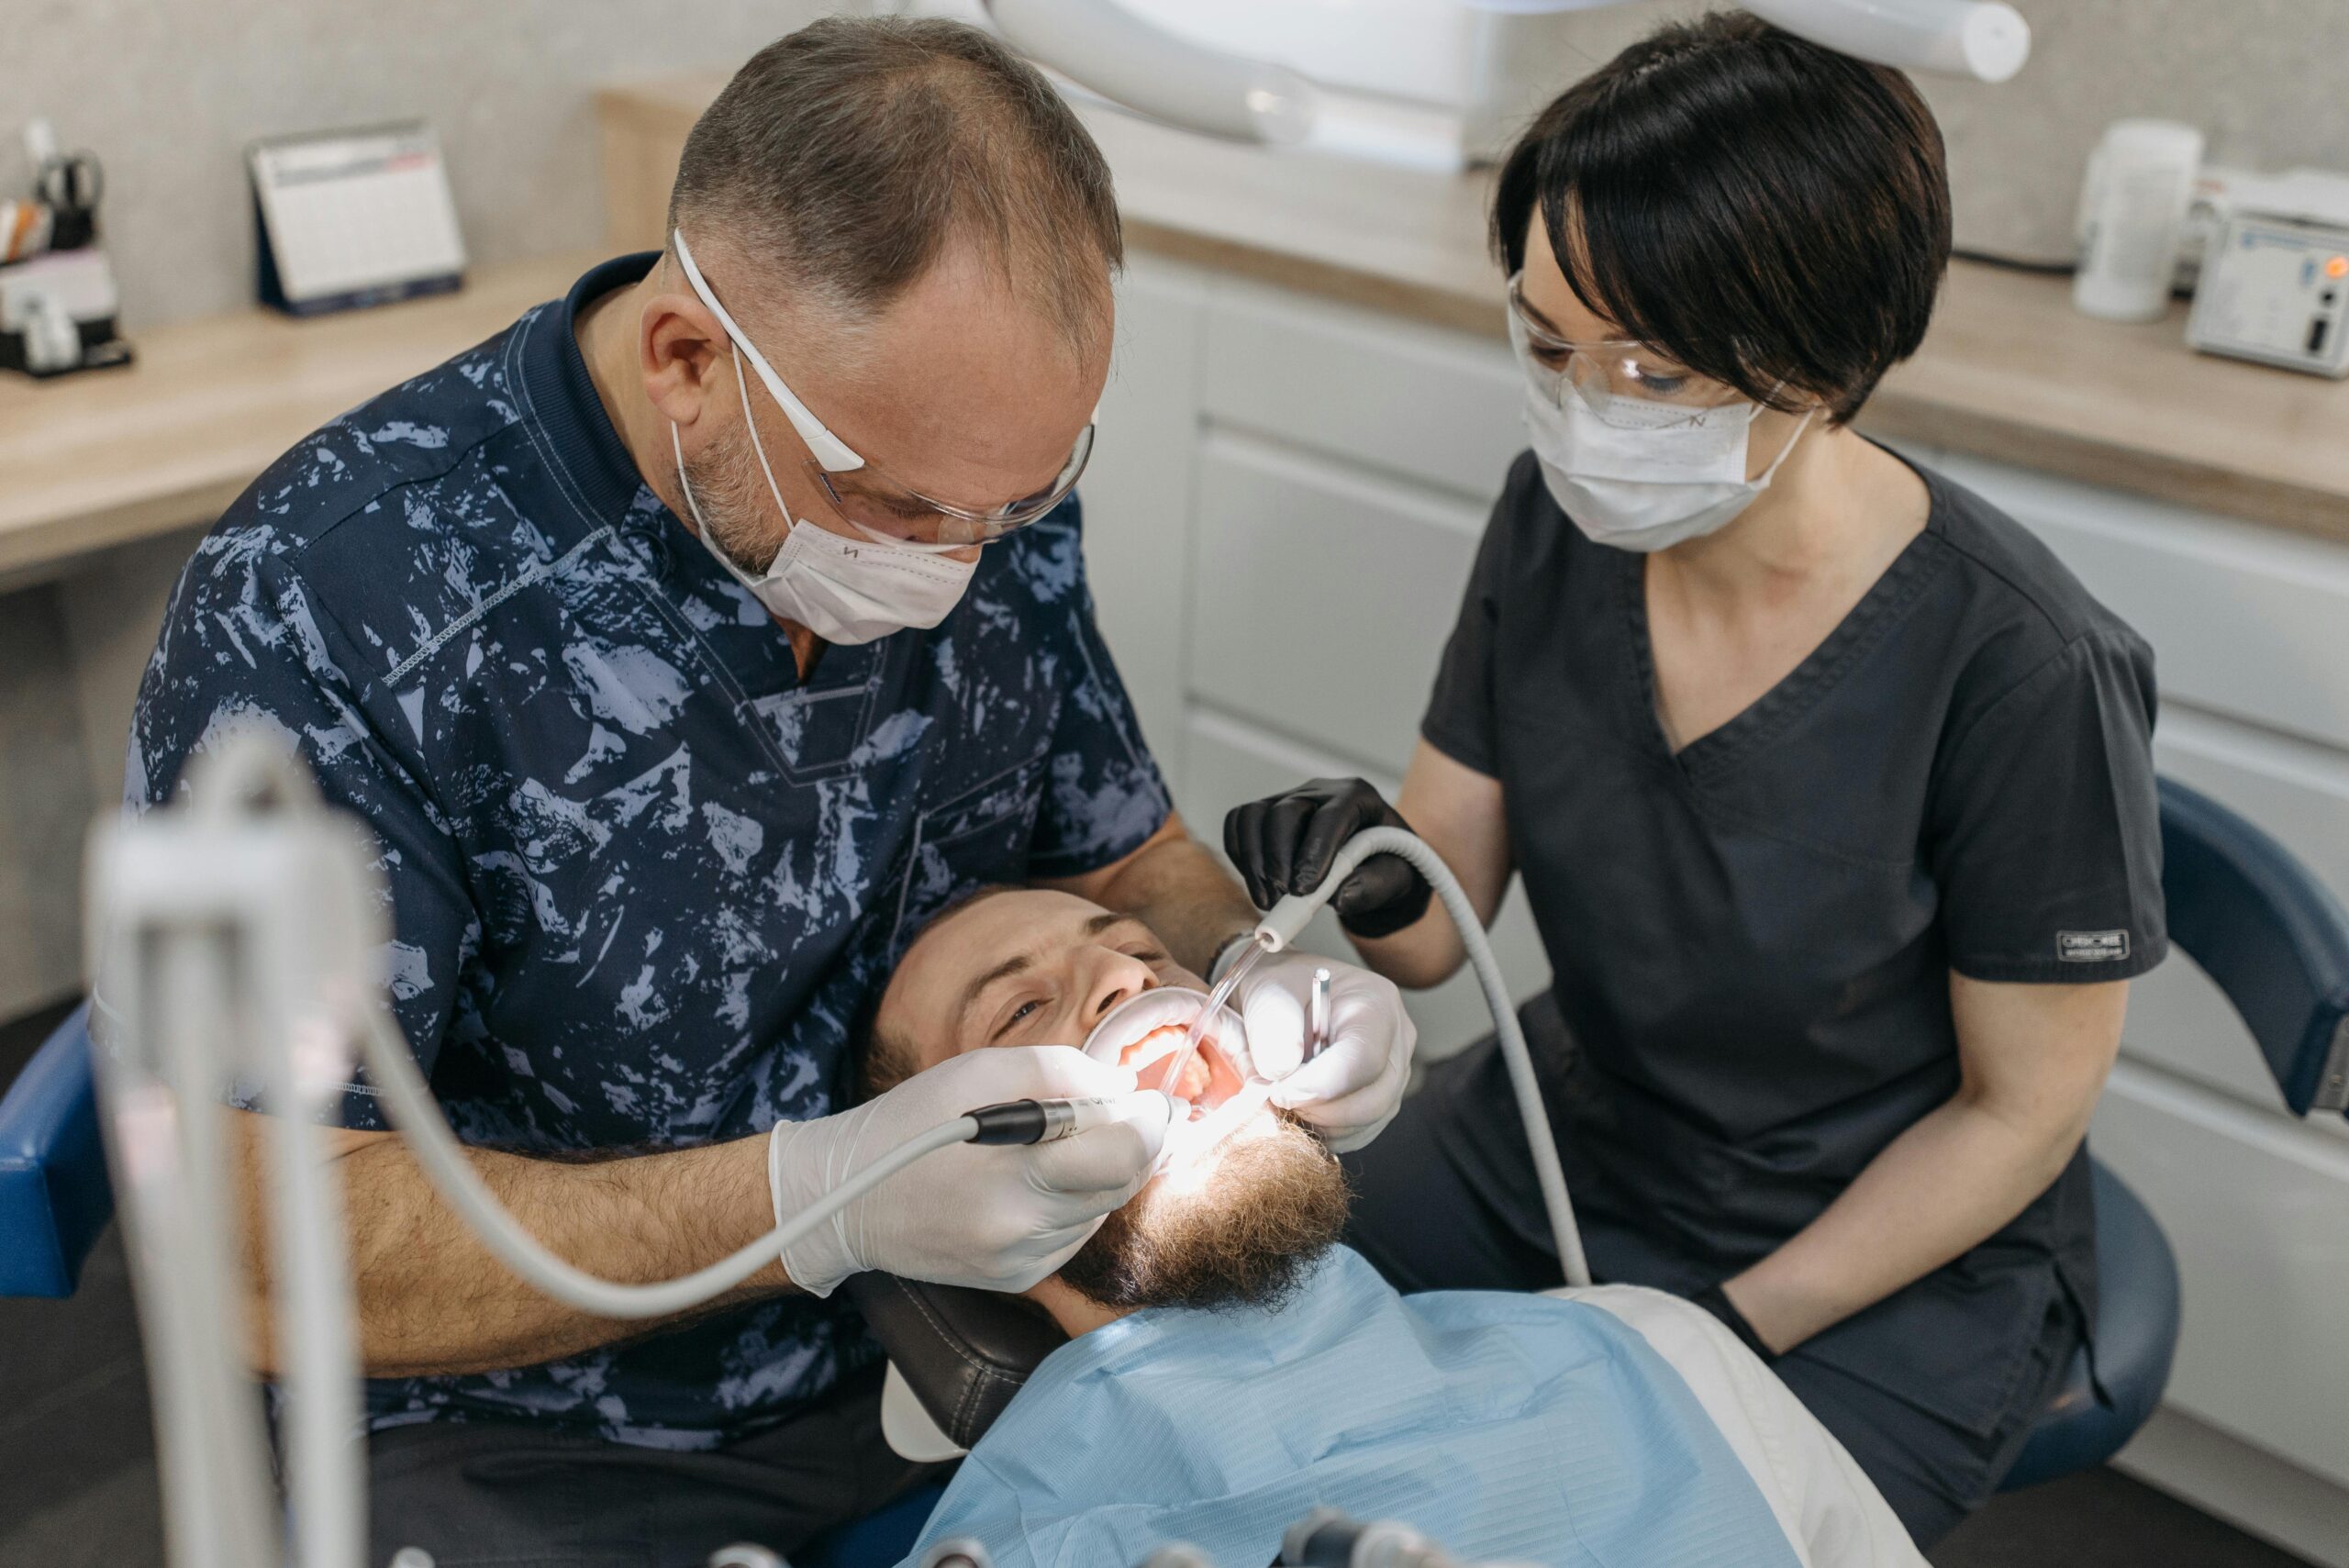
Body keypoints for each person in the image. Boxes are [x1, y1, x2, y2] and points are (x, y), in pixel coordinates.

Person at [116, 18, 1411, 1562]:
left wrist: (1264, 975)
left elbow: (1128, 857)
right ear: (688, 360)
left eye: (1022, 501)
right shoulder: (340, 608)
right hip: (531, 1421)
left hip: (967, 1334)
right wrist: (818, 1198)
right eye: (901, 509)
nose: (959, 565)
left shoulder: (971, 488)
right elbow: (264, 1251)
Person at [1223, 13, 2165, 1546]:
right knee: (1225, 1334)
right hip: (1568, 1138)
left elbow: (2018, 1117)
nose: (1583, 407)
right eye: (1544, 342)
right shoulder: (1555, 520)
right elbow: (1437, 925)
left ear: (1822, 368)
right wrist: (1372, 867)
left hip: (1875, 1253)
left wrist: (1714, 1325)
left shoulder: (2023, 665)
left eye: (1651, 369)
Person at [858, 886, 1925, 1568]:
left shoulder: (1649, 1346)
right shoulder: (1014, 1551)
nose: (1127, 978)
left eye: (1139, 949)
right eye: (1017, 1011)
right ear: (954, 1202)